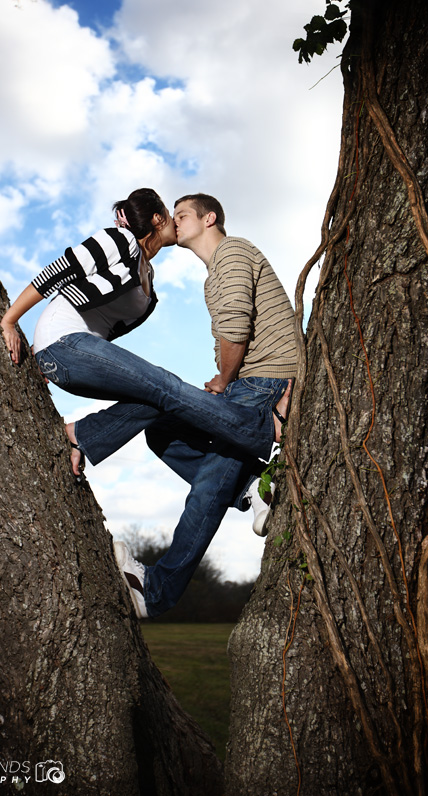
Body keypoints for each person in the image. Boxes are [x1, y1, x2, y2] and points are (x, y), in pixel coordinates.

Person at [89, 194, 298, 619]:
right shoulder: (212, 275)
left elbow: (236, 326)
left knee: (205, 484)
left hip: (264, 383)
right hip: (250, 384)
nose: (174, 221)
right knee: (162, 428)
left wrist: (223, 379)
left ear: (209, 218)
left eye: (182, 214)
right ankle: (256, 490)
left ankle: (156, 591)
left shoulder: (234, 251)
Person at [0, 188, 288, 484]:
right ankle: (264, 428)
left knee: (156, 400)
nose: (176, 223)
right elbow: (60, 270)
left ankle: (81, 435)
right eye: (171, 215)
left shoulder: (148, 281)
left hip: (74, 353)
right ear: (157, 218)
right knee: (165, 385)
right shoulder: (119, 240)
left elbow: (99, 325)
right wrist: (11, 321)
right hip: (63, 343)